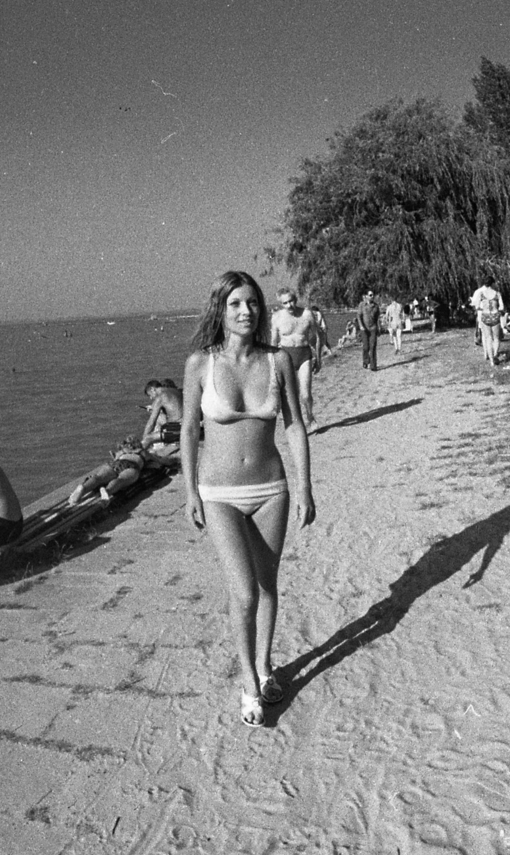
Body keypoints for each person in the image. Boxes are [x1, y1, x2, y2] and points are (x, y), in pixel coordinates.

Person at [181, 270, 314, 728]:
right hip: (217, 493)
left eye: (253, 303)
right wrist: (189, 493)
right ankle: (248, 684)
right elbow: (187, 432)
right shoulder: (200, 363)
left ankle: (265, 665)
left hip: (271, 489)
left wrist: (305, 489)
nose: (246, 311)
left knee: (266, 585)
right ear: (220, 308)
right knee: (242, 593)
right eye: (236, 303)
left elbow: (294, 425)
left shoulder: (276, 361)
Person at [270, 287, 320, 423]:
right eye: (285, 303)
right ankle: (297, 424)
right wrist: (272, 364)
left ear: (295, 300)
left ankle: (310, 417)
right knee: (291, 396)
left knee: (306, 394)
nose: (289, 305)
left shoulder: (306, 314)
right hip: (286, 357)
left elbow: (317, 336)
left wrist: (319, 358)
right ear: (281, 304)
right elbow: (273, 343)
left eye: (291, 301)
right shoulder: (277, 317)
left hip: (304, 355)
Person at [67, 434, 149, 506]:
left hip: (117, 463)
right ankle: (107, 491)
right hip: (132, 465)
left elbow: (115, 458)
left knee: (98, 478)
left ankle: (83, 487)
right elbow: (158, 460)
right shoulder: (143, 452)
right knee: (120, 480)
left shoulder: (122, 451)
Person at [140, 377, 184, 467]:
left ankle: (137, 461)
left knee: (148, 439)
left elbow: (151, 423)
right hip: (188, 425)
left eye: (150, 395)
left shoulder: (160, 397)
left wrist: (144, 439)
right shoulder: (176, 391)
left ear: (153, 389)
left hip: (178, 429)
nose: (151, 398)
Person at [471, 276, 504, 366]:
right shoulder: (497, 294)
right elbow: (502, 307)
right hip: (495, 316)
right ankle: (495, 354)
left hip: (485, 316)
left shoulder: (481, 293)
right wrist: (497, 309)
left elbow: (477, 306)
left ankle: (491, 361)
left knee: (488, 338)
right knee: (496, 338)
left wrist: (483, 307)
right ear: (492, 283)